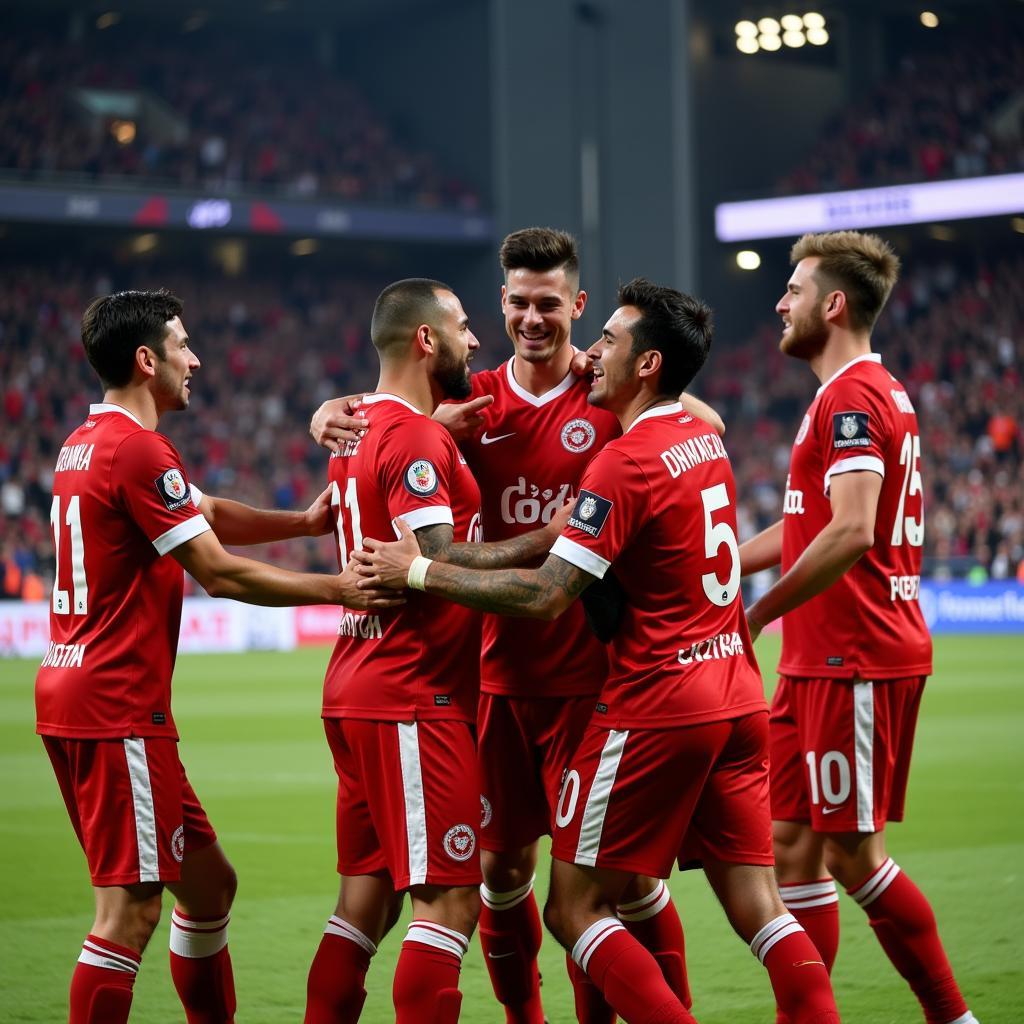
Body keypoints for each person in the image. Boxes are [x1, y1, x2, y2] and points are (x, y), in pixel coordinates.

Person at [356, 279, 842, 1024]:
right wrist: (342, 409)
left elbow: (548, 593)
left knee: (577, 907)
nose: (592, 356)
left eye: (607, 342)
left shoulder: (624, 462)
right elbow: (395, 400)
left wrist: (419, 568)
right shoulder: (699, 436)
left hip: (655, 702)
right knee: (761, 908)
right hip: (736, 693)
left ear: (646, 363)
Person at [312, 228, 716, 1023]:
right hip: (491, 682)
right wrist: (329, 410)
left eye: (550, 304)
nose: (534, 318)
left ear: (579, 306)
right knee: (499, 876)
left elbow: (698, 418)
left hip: (590, 683)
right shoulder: (472, 402)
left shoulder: (607, 391)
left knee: (618, 885)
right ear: (500, 304)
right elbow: (391, 413)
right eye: (520, 303)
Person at [35, 289, 400, 1024]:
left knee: (208, 887)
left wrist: (301, 521)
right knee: (128, 914)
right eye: (181, 345)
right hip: (115, 706)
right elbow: (218, 570)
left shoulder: (88, 442)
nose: (195, 358)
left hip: (81, 691)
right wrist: (338, 587)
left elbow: (209, 513)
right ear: (147, 361)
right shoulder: (138, 449)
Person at [739, 231, 979, 1024]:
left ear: (833, 304)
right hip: (822, 659)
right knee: (790, 844)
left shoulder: (852, 396)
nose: (779, 302)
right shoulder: (851, 391)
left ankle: (953, 1015)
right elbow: (809, 525)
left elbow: (850, 531)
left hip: (857, 655)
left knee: (851, 853)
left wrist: (759, 611)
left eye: (794, 289)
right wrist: (718, 572)